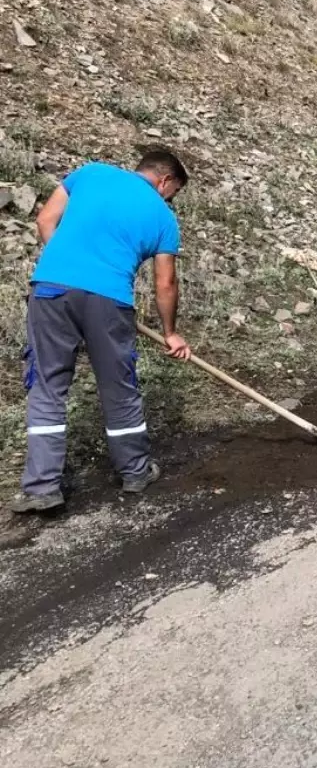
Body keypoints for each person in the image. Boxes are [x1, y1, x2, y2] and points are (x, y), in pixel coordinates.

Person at [10, 150, 193, 514]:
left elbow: (46, 220)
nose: (169, 199)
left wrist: (70, 270)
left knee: (47, 385)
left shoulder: (90, 174)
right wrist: (170, 332)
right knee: (118, 386)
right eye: (173, 192)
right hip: (109, 300)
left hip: (50, 289)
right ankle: (135, 473)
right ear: (165, 181)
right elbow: (165, 283)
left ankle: (41, 488)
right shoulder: (162, 216)